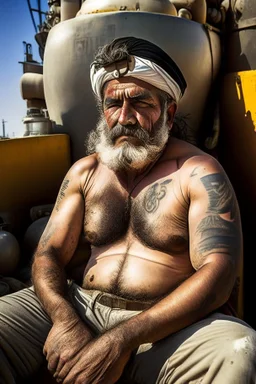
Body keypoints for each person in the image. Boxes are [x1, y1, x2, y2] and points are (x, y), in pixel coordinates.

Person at [0, 36, 256, 384]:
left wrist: (121, 340)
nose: (125, 117)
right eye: (112, 104)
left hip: (166, 327)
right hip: (79, 306)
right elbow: (48, 255)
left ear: (168, 111)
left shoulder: (197, 172)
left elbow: (219, 273)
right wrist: (64, 320)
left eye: (140, 102)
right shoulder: (85, 172)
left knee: (238, 352)